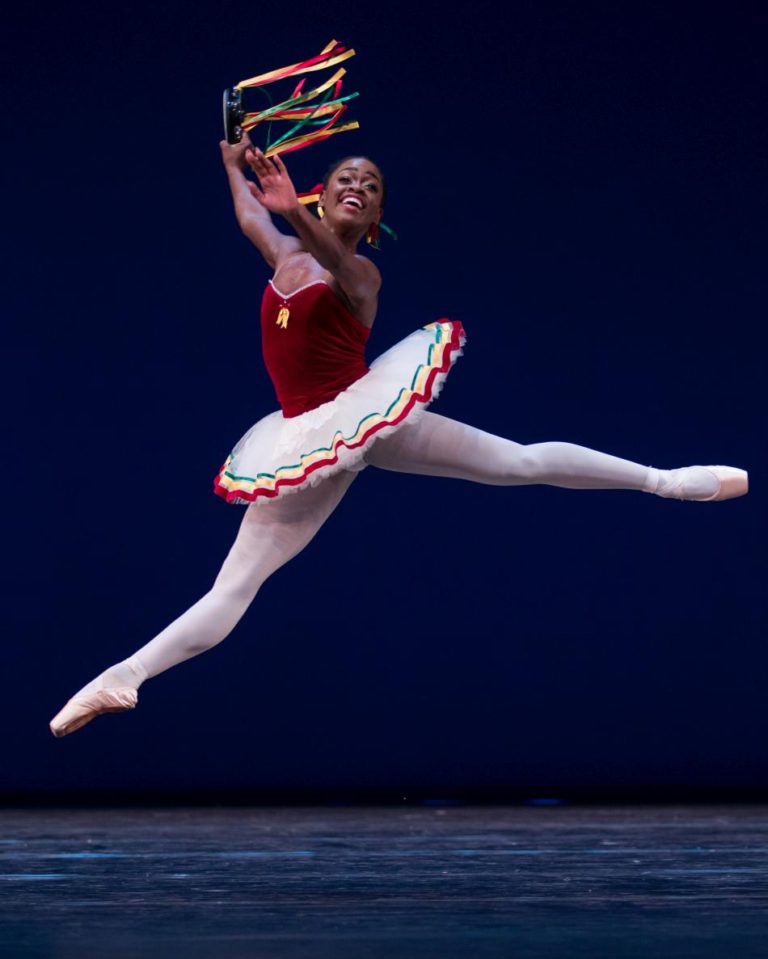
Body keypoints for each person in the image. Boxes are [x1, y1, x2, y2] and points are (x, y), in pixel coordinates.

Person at [49, 134, 749, 737]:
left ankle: (670, 482)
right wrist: (231, 163)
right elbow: (248, 218)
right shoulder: (285, 253)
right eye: (348, 178)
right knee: (234, 586)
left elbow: (325, 251)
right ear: (324, 194)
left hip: (367, 412)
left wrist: (293, 207)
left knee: (519, 462)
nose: (358, 186)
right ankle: (124, 675)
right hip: (304, 440)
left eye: (372, 186)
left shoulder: (361, 272)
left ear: (378, 214)